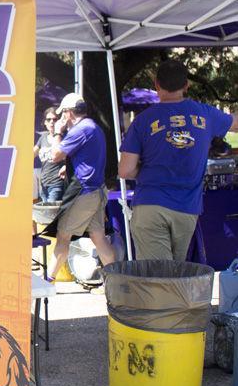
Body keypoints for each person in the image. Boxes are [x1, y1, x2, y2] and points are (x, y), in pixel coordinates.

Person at [118, 60, 238, 261]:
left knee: (159, 277)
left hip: (150, 204)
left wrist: (149, 170)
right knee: (175, 274)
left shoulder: (143, 120)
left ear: (156, 84)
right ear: (186, 85)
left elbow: (125, 170)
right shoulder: (205, 114)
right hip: (187, 208)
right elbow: (235, 123)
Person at [47, 93, 116, 280]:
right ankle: (116, 281)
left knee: (63, 236)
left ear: (68, 113)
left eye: (63, 115)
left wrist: (57, 132)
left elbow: (55, 155)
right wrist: (68, 168)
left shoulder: (80, 129)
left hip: (84, 193)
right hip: (97, 190)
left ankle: (48, 280)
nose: (62, 119)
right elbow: (87, 158)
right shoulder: (93, 127)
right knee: (99, 237)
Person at [34, 107, 65, 203]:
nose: (52, 122)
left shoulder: (63, 137)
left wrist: (66, 166)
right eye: (49, 119)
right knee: (45, 214)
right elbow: (32, 154)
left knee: (50, 214)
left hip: (57, 183)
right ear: (45, 122)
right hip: (43, 184)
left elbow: (73, 156)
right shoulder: (42, 138)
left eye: (55, 119)